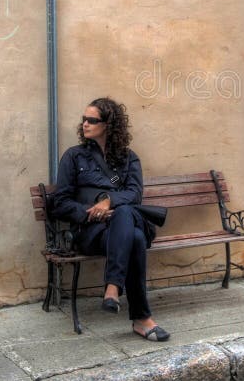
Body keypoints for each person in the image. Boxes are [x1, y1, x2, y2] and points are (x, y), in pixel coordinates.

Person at [51, 97, 169, 342]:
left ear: (108, 124)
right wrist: (91, 211)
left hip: (123, 224)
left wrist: (108, 202)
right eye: (84, 119)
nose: (85, 124)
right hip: (92, 232)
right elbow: (59, 202)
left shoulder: (128, 158)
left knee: (125, 214)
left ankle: (113, 288)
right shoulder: (74, 157)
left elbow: (135, 193)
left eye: (92, 120)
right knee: (134, 237)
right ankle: (141, 318)